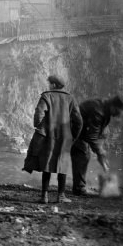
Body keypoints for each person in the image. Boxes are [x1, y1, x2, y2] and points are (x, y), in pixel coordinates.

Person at [22, 75, 83, 203]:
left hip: (49, 136)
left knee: (47, 165)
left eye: (49, 83)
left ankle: (44, 196)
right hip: (65, 137)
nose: (48, 85)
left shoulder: (46, 96)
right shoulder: (70, 98)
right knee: (63, 165)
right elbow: (78, 121)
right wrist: (73, 136)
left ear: (54, 85)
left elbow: (39, 113)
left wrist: (39, 126)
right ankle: (61, 196)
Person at [70, 95, 123, 196]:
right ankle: (79, 189)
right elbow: (92, 136)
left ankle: (79, 186)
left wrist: (101, 153)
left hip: (82, 131)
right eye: (118, 111)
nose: (118, 114)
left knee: (86, 153)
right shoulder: (98, 111)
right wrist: (100, 152)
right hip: (74, 130)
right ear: (113, 106)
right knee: (82, 155)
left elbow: (97, 131)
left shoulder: (105, 108)